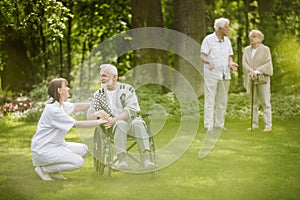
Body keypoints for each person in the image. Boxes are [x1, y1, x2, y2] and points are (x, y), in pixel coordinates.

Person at [31, 78, 106, 181]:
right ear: (59, 91)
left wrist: (96, 105)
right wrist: (100, 122)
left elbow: (77, 107)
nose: (68, 88)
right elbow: (77, 124)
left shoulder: (59, 104)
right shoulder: (54, 110)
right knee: (78, 162)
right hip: (44, 149)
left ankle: (52, 170)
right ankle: (45, 169)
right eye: (65, 86)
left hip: (56, 145)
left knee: (84, 149)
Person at [87, 64, 155, 170]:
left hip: (132, 122)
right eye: (101, 76)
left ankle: (146, 159)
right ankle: (122, 160)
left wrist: (114, 119)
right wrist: (96, 114)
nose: (101, 79)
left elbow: (130, 110)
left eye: (104, 76)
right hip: (113, 128)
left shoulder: (128, 89)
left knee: (137, 122)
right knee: (120, 124)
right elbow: (89, 116)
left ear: (115, 77)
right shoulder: (98, 94)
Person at [200, 18, 238, 133]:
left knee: (222, 101)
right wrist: (209, 62)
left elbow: (229, 56)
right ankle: (208, 126)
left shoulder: (227, 41)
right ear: (220, 28)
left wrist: (231, 63)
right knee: (210, 100)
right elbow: (203, 55)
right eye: (227, 27)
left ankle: (219, 125)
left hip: (225, 75)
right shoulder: (209, 39)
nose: (228, 29)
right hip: (211, 74)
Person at [242, 29, 273, 132]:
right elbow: (244, 63)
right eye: (251, 36)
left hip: (263, 79)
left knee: (265, 103)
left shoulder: (266, 50)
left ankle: (268, 125)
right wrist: (250, 71)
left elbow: (268, 64)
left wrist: (257, 71)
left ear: (260, 39)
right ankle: (254, 125)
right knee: (253, 103)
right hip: (251, 78)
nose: (251, 38)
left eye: (254, 36)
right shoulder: (246, 50)